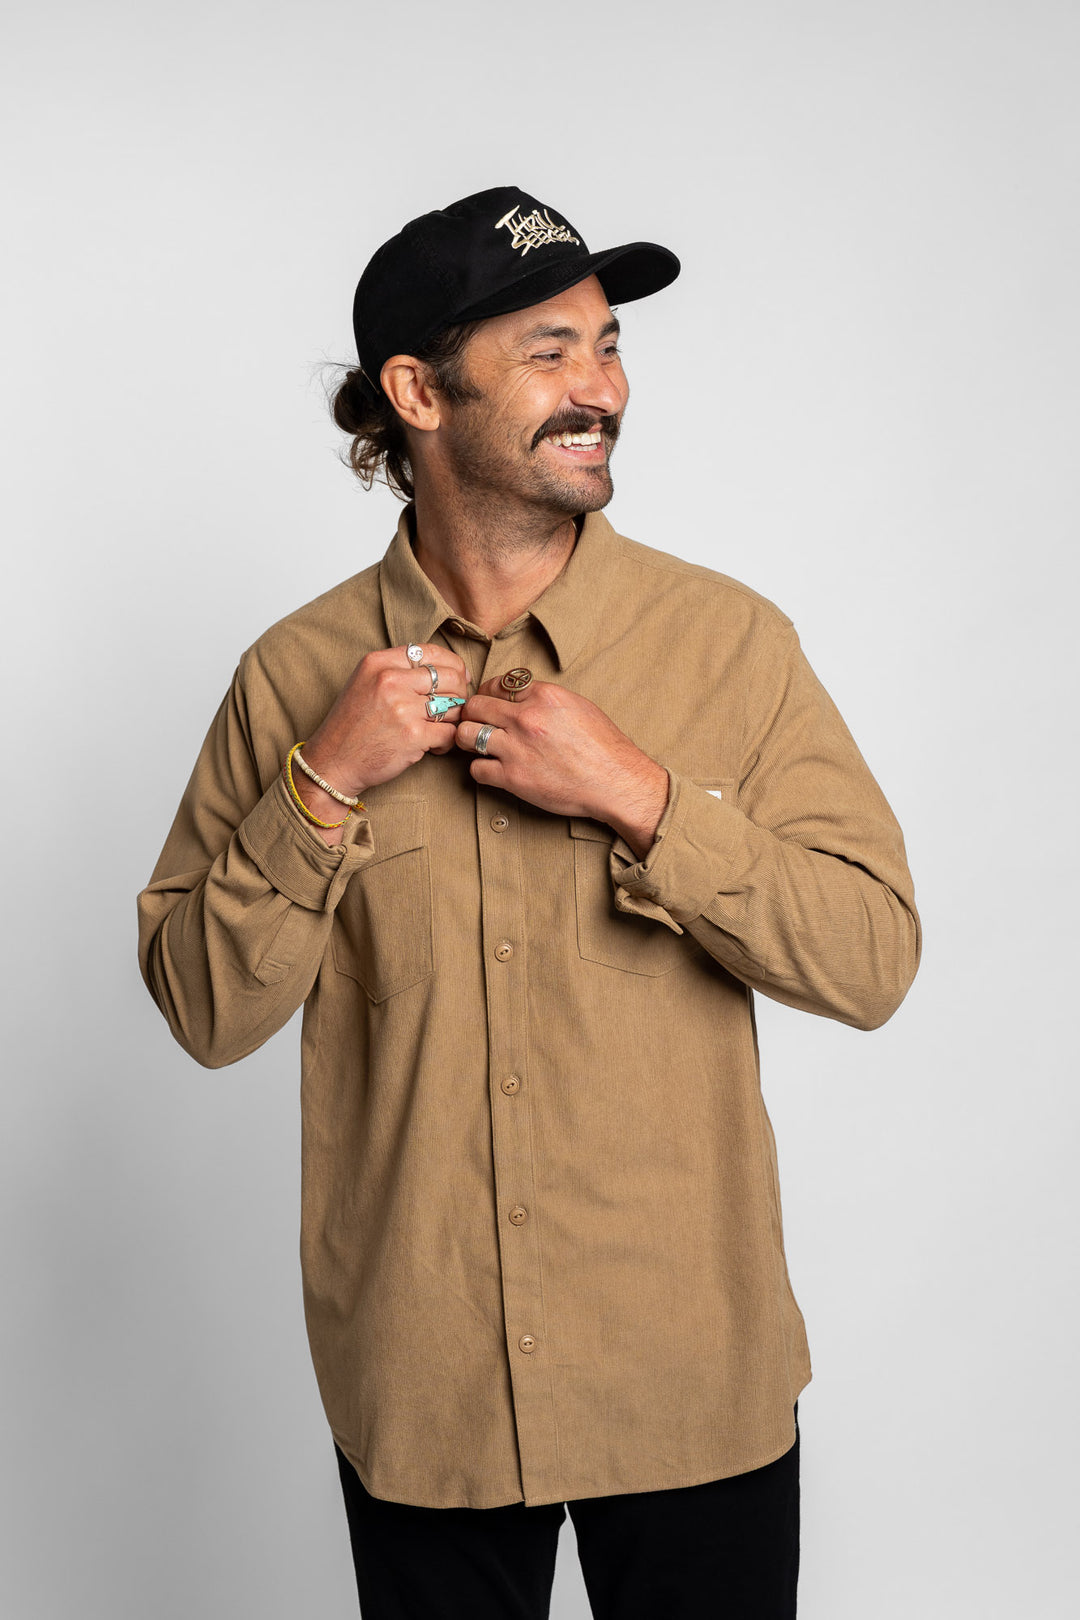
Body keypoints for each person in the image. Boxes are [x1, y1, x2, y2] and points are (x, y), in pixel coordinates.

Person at [137, 186, 920, 1618]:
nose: (602, 392)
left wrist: (647, 800)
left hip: (690, 1380)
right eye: (552, 353)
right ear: (419, 392)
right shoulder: (293, 677)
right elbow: (202, 1005)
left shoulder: (728, 645)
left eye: (609, 349)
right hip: (424, 1391)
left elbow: (872, 957)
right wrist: (321, 782)